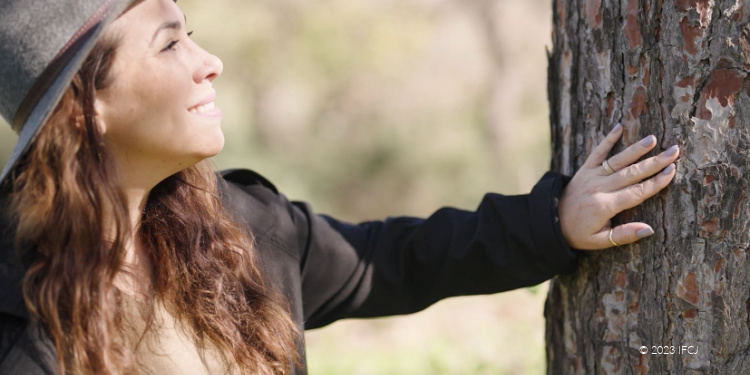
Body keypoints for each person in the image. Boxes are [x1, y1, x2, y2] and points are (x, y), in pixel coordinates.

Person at [0, 0, 680, 374]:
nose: (211, 62)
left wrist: (554, 221)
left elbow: (394, 259)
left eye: (194, 37)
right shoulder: (22, 326)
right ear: (88, 107)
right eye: (170, 45)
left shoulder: (238, 227)